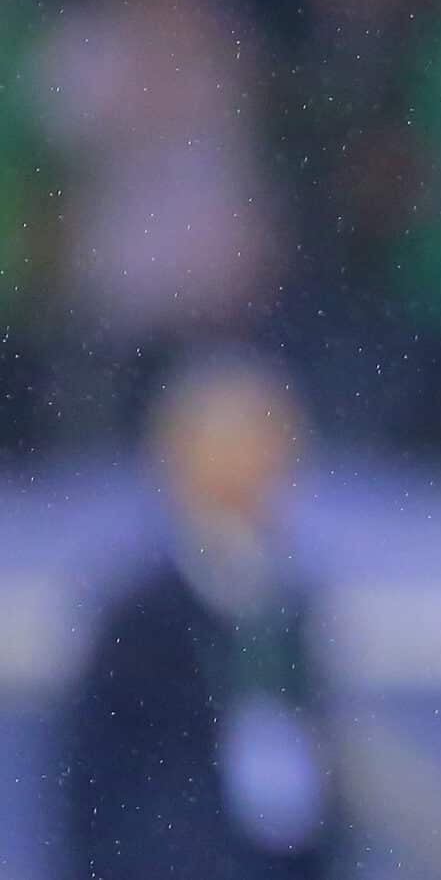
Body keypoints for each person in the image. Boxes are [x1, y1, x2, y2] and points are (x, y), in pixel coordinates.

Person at [56, 350, 345, 880]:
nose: (250, 466)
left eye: (266, 445)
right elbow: (95, 788)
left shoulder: (288, 601)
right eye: (228, 447)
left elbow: (310, 769)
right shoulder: (139, 613)